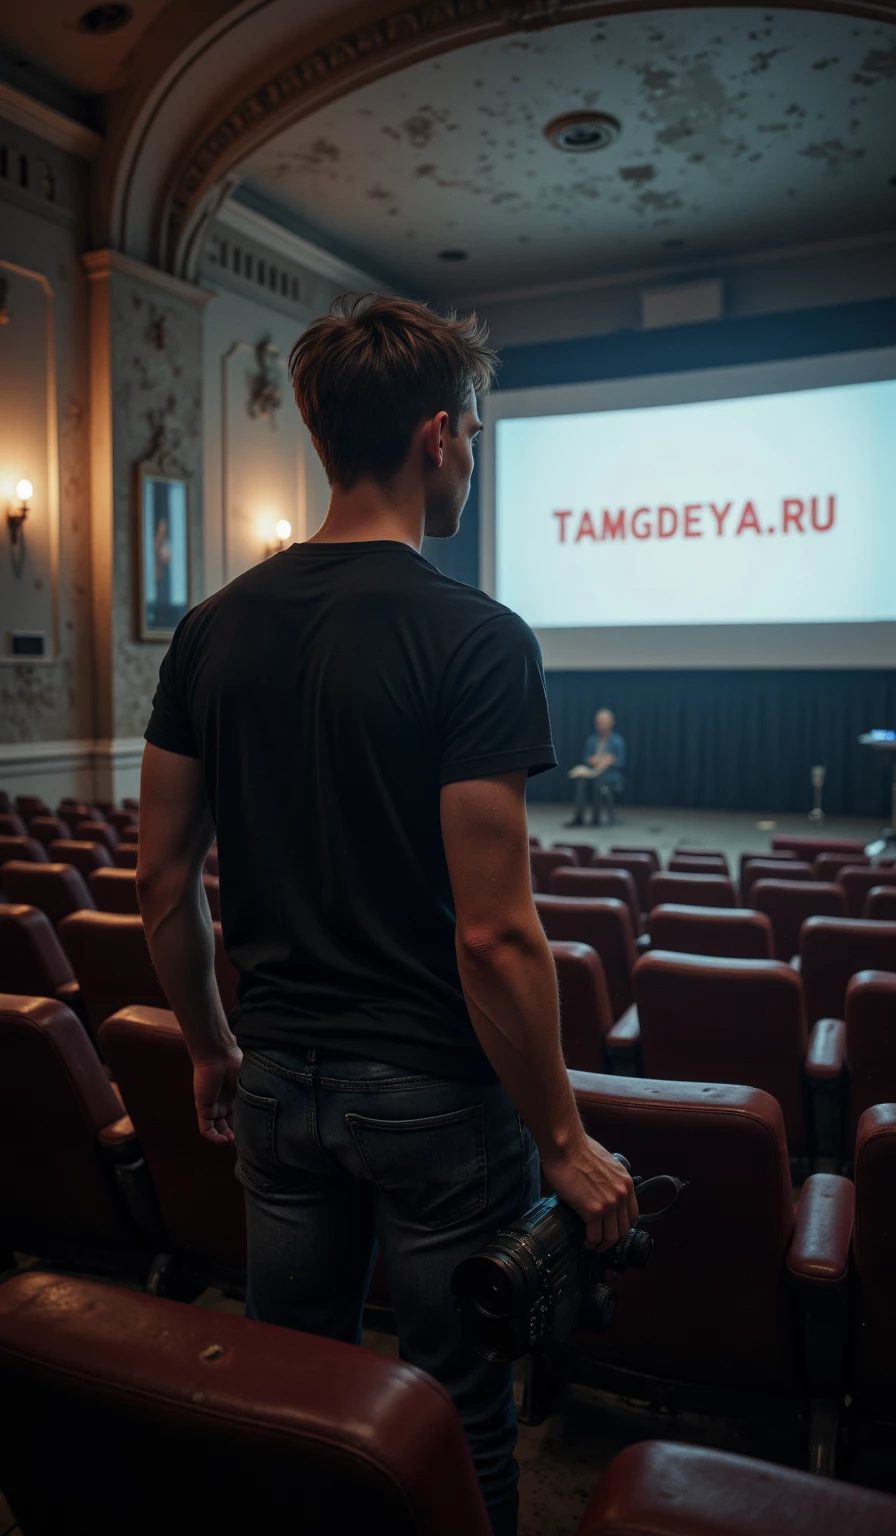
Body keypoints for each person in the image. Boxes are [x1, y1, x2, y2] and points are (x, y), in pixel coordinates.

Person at [135, 293, 637, 1536]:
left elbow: (161, 882)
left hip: (276, 1087)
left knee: (289, 1388)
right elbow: (495, 932)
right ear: (437, 436)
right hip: (432, 1101)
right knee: (458, 1403)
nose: (471, 453)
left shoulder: (208, 630)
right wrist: (564, 1137)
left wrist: (209, 1043)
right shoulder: (476, 638)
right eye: (473, 431)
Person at [566, 708, 626, 826]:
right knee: (581, 781)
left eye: (604, 721)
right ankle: (579, 817)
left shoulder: (617, 741)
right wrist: (592, 760)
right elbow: (586, 758)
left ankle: (596, 818)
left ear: (611, 722)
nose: (601, 725)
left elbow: (621, 762)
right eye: (599, 722)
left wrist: (610, 761)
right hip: (593, 771)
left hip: (610, 774)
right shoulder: (592, 740)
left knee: (599, 781)